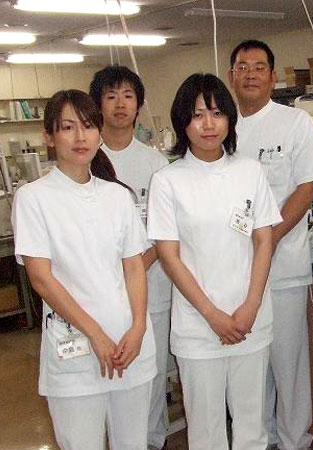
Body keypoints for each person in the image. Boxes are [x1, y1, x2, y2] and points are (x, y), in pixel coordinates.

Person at [11, 89, 156, 450]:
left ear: (99, 133)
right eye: (68, 127)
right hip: (76, 346)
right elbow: (42, 278)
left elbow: (134, 267)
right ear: (49, 136)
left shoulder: (117, 196)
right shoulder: (34, 198)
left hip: (129, 343)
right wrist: (95, 334)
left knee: (133, 444)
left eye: (89, 126)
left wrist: (138, 327)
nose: (80, 137)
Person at [147, 73, 282, 450]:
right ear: (182, 122)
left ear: (229, 119)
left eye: (217, 113)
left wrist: (251, 305)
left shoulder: (250, 171)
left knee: (252, 427)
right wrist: (211, 315)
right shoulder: (168, 181)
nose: (208, 124)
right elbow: (169, 256)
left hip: (249, 319)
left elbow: (264, 239)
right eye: (197, 115)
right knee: (206, 431)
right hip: (198, 326)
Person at [227, 39, 313, 450]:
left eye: (259, 67)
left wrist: (267, 239)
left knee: (288, 365)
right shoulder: (221, 125)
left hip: (283, 268)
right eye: (242, 67)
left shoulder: (295, 122)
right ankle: (257, 440)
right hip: (233, 271)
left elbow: (308, 186)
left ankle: (294, 441)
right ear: (231, 75)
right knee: (248, 367)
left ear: (272, 77)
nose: (250, 74)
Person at [90, 65, 172, 450]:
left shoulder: (156, 164)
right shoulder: (88, 160)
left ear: (139, 104)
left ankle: (153, 441)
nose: (120, 104)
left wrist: (139, 263)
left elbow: (165, 228)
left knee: (151, 375)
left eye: (127, 96)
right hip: (102, 291)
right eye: (110, 96)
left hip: (151, 286)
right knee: (107, 374)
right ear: (98, 105)